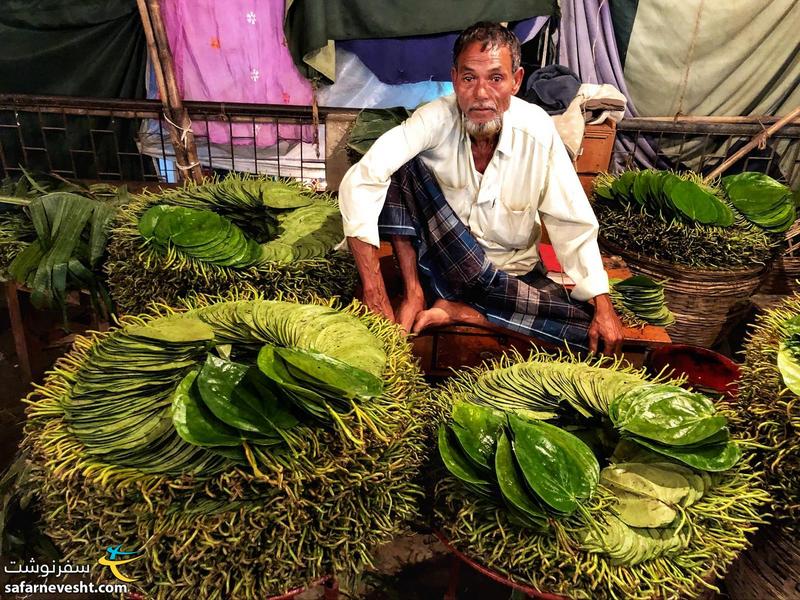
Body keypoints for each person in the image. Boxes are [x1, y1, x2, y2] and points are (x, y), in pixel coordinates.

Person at [338, 22, 623, 355]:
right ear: (455, 78)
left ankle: (467, 314)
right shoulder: (433, 120)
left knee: (581, 330)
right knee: (399, 165)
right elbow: (362, 179)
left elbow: (571, 221)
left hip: (508, 276)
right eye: (470, 78)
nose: (481, 94)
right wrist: (375, 294)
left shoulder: (538, 131)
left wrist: (602, 304)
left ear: (516, 81)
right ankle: (417, 292)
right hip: (441, 267)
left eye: (496, 78)